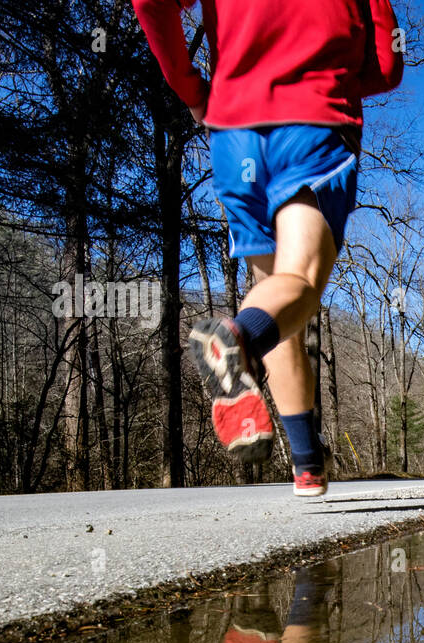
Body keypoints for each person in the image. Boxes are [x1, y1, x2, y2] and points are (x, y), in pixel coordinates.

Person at [133, 0, 404, 496]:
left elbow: (149, 3)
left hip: (234, 137)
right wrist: (327, 71)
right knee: (299, 281)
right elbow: (387, 67)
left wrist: (191, 89)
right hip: (313, 125)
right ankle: (235, 338)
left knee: (275, 295)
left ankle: (307, 463)